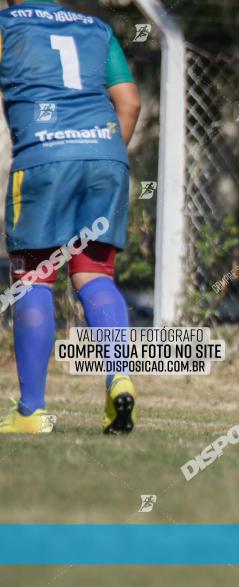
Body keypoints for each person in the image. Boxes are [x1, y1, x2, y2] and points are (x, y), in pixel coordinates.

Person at [0, 0, 141, 434]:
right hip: (105, 156)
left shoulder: (6, 23)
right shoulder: (95, 27)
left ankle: (31, 412)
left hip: (43, 160)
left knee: (33, 279)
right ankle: (119, 377)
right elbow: (130, 103)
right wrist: (105, 155)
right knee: (94, 274)